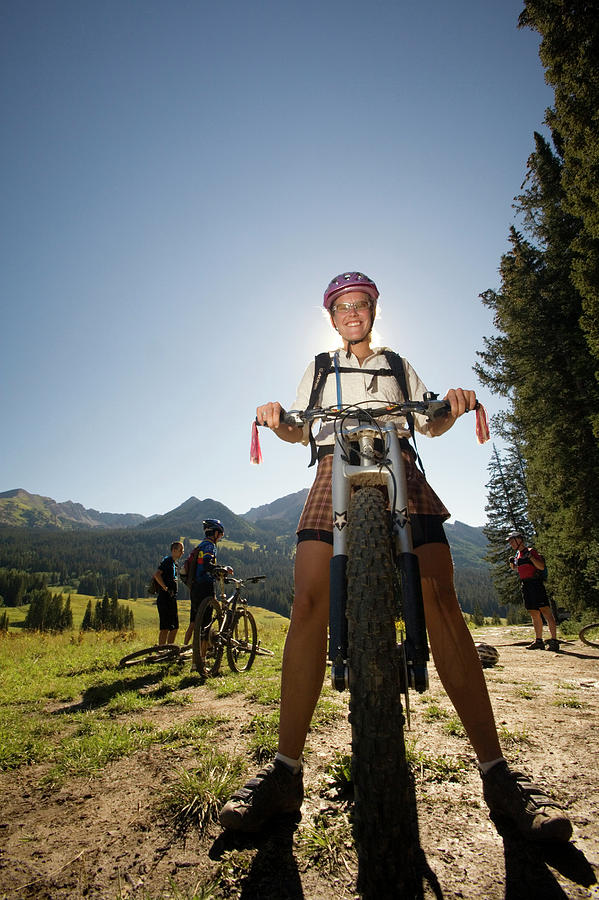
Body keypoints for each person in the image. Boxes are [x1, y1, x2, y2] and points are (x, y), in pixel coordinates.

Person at [219, 271, 572, 843]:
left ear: (374, 311)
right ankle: (285, 772)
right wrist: (277, 417)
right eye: (342, 307)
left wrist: (451, 409)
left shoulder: (397, 364)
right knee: (308, 601)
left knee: (440, 599)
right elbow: (297, 430)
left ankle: (498, 773)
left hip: (399, 463)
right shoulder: (320, 367)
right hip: (335, 468)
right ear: (331, 317)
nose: (352, 313)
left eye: (361, 304)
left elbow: (427, 419)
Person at [183, 519, 232, 648]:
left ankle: (184, 650)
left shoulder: (200, 545)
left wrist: (217, 571)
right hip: (205, 587)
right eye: (220, 534)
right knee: (206, 624)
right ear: (215, 533)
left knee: (194, 622)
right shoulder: (210, 546)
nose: (220, 537)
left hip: (195, 587)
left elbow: (203, 566)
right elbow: (207, 564)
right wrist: (221, 569)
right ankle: (202, 660)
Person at [507, 531, 559, 651]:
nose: (511, 543)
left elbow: (541, 567)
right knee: (534, 613)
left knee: (546, 612)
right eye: (510, 542)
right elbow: (515, 568)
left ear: (519, 540)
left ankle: (554, 641)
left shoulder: (531, 552)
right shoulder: (517, 555)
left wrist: (531, 557)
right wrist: (512, 563)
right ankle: (539, 641)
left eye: (512, 541)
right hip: (526, 585)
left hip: (536, 584)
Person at [154, 541, 184, 645]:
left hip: (172, 598)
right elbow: (157, 575)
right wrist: (164, 587)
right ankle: (161, 649)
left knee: (174, 626)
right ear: (174, 550)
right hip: (164, 598)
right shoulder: (167, 561)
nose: (182, 552)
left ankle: (169, 649)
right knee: (165, 627)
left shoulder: (174, 563)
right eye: (181, 550)